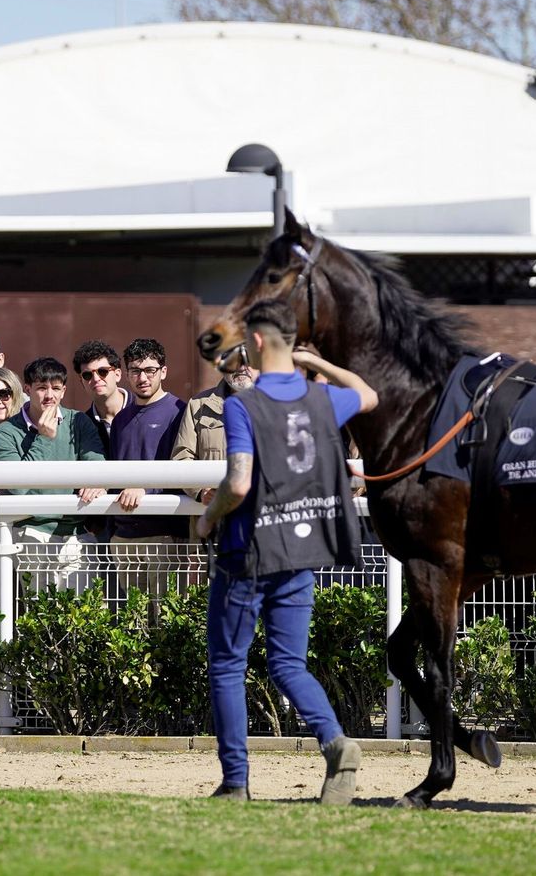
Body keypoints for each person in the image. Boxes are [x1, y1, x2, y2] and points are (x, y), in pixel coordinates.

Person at [194, 298, 378, 804]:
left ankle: (236, 783)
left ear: (254, 343)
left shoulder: (241, 405)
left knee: (229, 666)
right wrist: (316, 363)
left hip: (247, 553)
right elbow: (367, 394)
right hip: (301, 551)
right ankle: (336, 741)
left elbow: (238, 480)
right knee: (289, 665)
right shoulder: (323, 402)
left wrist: (209, 518)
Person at [0, 357, 106, 590]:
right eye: (42, 388)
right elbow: (17, 488)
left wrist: (97, 483)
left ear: (64, 391)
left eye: (55, 388)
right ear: (28, 389)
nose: (49, 395)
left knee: (82, 617)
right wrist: (43, 437)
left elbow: (97, 466)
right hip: (30, 533)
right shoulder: (5, 433)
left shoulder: (79, 422)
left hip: (77, 534)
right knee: (40, 619)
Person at [110, 338, 187, 545]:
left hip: (165, 533)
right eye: (135, 371)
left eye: (150, 370)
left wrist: (144, 490)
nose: (142, 378)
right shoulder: (121, 419)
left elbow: (183, 470)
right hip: (123, 534)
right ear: (126, 375)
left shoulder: (180, 411)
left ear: (163, 371)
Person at [173, 360, 261, 505]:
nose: (241, 367)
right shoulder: (198, 405)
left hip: (260, 514)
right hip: (214, 516)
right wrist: (200, 491)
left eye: (248, 359)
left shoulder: (277, 404)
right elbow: (182, 458)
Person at [72, 340, 131, 453]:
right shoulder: (84, 425)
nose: (96, 379)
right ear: (81, 382)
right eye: (87, 375)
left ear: (117, 374)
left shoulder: (142, 410)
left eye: (102, 371)